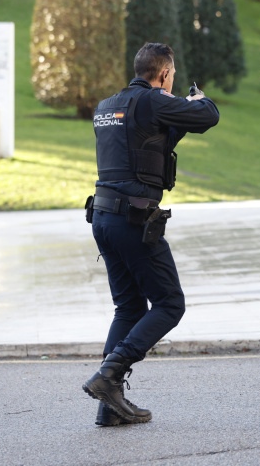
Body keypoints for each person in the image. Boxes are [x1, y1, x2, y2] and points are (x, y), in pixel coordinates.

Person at [82, 42, 220, 426]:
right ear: (163, 75)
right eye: (170, 76)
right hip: (133, 222)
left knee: (128, 308)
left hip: (104, 219)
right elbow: (208, 115)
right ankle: (109, 376)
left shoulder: (108, 105)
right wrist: (197, 99)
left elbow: (146, 147)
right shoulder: (153, 100)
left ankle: (109, 407)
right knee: (169, 304)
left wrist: (173, 116)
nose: (171, 81)